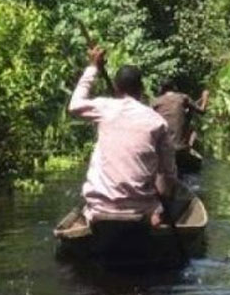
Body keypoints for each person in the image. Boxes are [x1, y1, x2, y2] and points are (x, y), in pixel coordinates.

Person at [68, 45, 176, 228]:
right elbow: (168, 173)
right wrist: (163, 208)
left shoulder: (105, 107)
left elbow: (75, 105)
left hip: (99, 208)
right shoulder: (157, 122)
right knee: (161, 203)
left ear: (117, 87)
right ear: (141, 89)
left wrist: (93, 67)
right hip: (141, 211)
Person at [151, 82, 208, 162]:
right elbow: (202, 111)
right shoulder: (183, 98)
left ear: (161, 91)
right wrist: (205, 97)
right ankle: (188, 147)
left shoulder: (155, 102)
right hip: (180, 149)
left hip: (162, 149)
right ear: (174, 89)